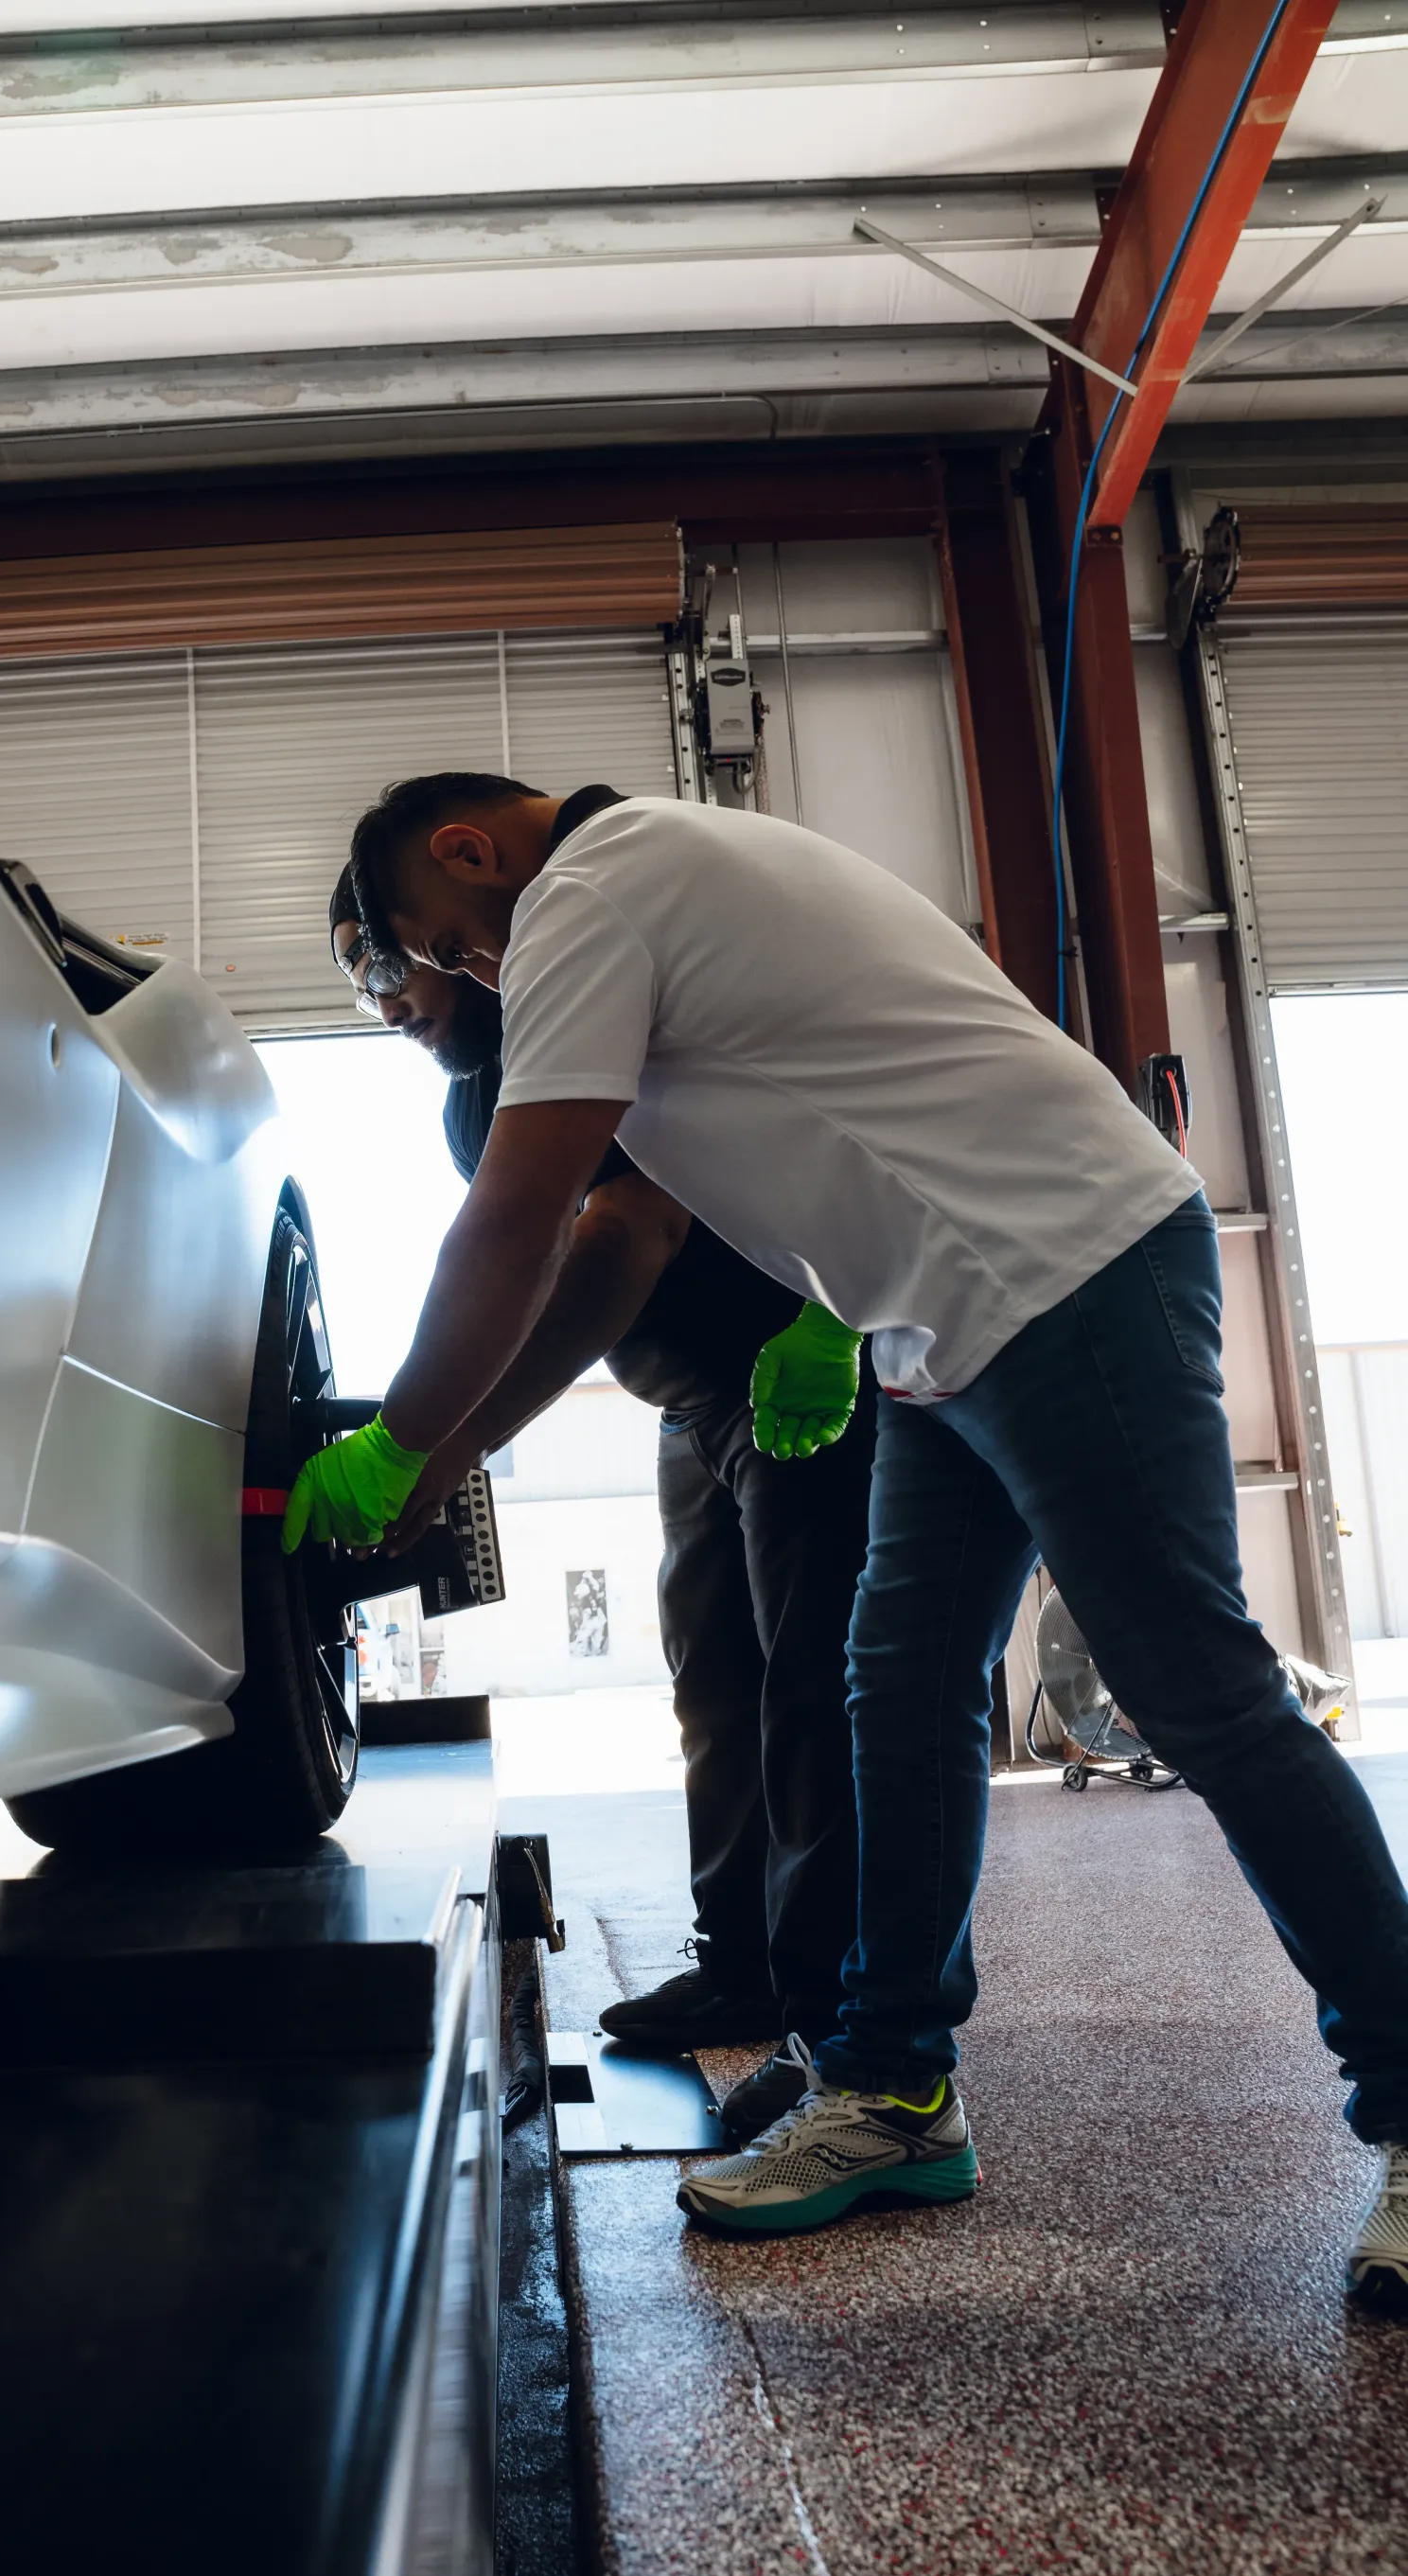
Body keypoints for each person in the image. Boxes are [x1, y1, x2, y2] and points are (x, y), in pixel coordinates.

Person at [288, 775, 1408, 2308]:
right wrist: (480, 1431)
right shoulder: (653, 887)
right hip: (937, 1317)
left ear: (469, 852)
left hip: (1062, 1267)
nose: (465, 975)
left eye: (443, 945)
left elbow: (527, 1215)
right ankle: (892, 2089)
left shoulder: (590, 894)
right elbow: (719, 1176)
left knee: (1198, 1689)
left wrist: (412, 1436)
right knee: (900, 1682)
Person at [327, 844, 877, 2117]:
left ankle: (834, 2022)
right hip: (693, 1409)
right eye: (360, 984)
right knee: (715, 1686)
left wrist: (448, 1439)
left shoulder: (575, 1034)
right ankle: (740, 1967)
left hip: (788, 1389)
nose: (388, 1002)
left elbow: (633, 1234)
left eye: (390, 961)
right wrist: (433, 1422)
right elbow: (523, 1280)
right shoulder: (478, 1105)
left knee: (809, 1695)